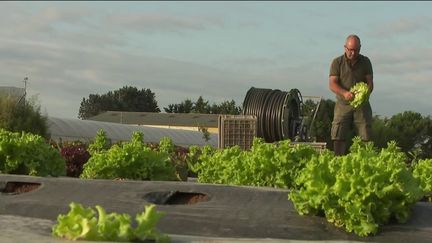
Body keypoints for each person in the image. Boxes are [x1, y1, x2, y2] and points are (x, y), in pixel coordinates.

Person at [329, 34, 374, 155]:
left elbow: (370, 83)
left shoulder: (365, 62)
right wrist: (345, 93)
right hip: (343, 103)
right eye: (350, 50)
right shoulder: (337, 62)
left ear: (360, 48)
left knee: (366, 134)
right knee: (338, 134)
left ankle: (365, 161)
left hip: (361, 105)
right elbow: (332, 83)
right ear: (345, 48)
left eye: (356, 50)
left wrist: (364, 93)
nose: (353, 53)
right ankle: (338, 161)